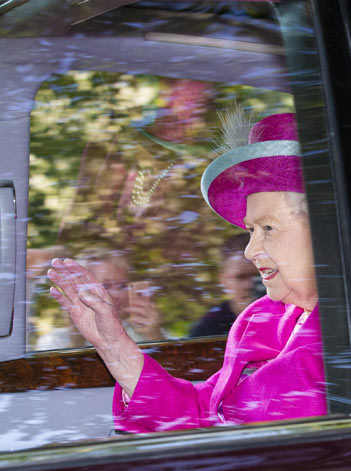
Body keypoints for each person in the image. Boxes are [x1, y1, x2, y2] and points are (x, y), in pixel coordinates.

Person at [48, 112, 327, 433]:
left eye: (267, 227)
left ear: (327, 228)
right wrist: (115, 348)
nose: (250, 251)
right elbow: (201, 415)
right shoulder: (261, 319)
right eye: (251, 230)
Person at [35, 247, 165, 350]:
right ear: (80, 291)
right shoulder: (54, 342)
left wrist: (154, 335)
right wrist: (77, 339)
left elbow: (173, 379)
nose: (118, 294)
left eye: (122, 285)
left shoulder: (144, 332)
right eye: (106, 286)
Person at [188, 234, 258, 337]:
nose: (250, 285)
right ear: (223, 280)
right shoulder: (208, 329)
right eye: (240, 277)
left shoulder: (289, 315)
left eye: (259, 275)